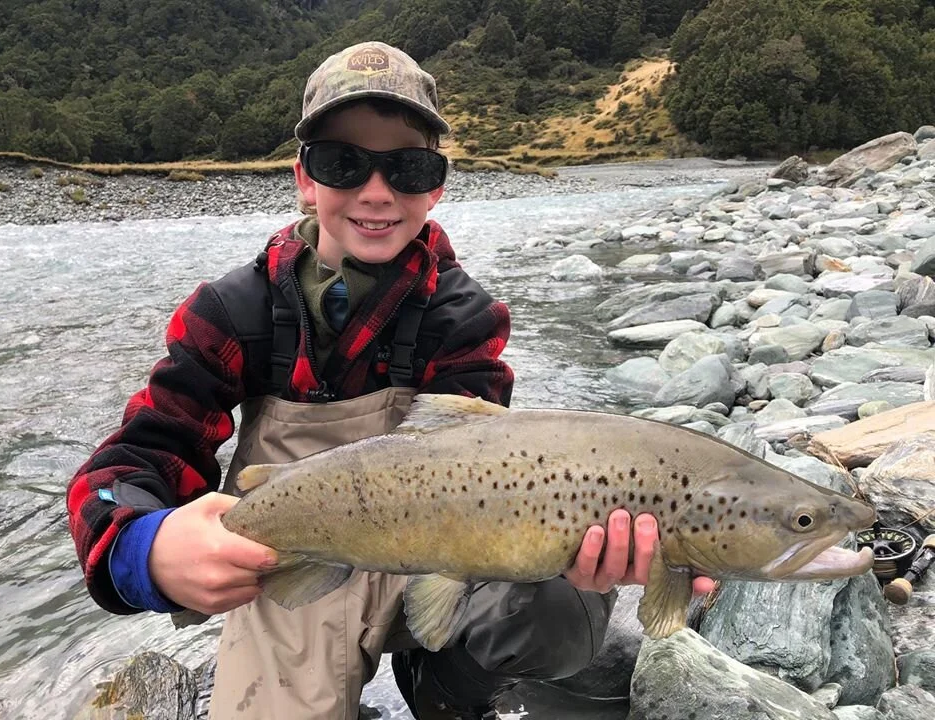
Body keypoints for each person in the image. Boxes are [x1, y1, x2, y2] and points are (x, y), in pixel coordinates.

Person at [65, 40, 713, 720]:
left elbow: (490, 467)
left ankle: (442, 687)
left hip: (440, 555)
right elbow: (137, 454)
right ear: (305, 179)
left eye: (406, 167)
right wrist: (146, 551)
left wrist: (575, 547)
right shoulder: (234, 312)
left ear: (436, 184)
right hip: (300, 559)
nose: (377, 192)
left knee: (563, 605)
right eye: (344, 163)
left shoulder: (466, 318)